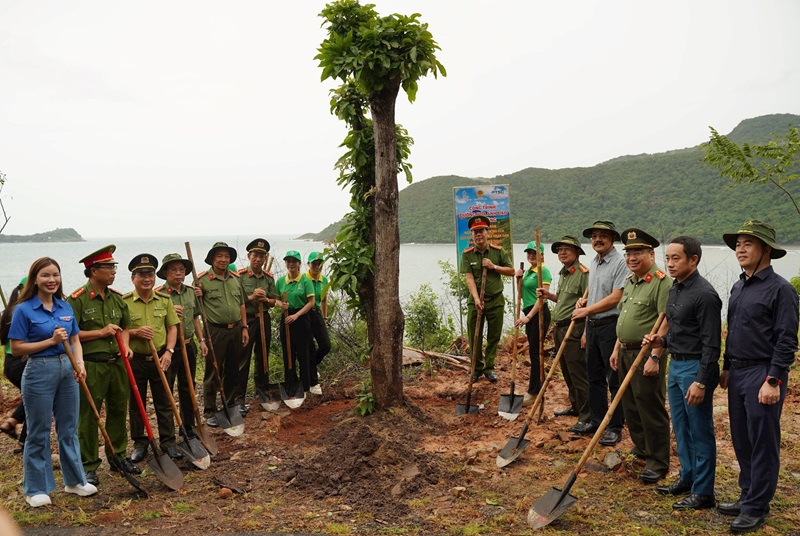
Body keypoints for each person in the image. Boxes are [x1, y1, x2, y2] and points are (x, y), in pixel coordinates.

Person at [716, 220, 798, 534]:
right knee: (742, 438)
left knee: (763, 441)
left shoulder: (781, 289)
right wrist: (725, 366)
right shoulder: (738, 286)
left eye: (748, 243)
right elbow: (732, 331)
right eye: (738, 243)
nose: (740, 248)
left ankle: (757, 507)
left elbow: (787, 338)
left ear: (766, 250)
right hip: (737, 372)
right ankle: (747, 493)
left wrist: (774, 379)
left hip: (763, 372)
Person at [8, 257, 97, 507]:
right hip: (39, 370)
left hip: (68, 371)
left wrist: (80, 365)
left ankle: (75, 481)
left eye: (55, 275)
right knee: (39, 431)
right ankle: (36, 488)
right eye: (45, 275)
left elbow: (76, 341)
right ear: (35, 279)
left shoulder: (64, 307)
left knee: (69, 428)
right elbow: (16, 348)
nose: (51, 280)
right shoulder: (24, 310)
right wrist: (50, 341)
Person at [644, 236, 721, 510]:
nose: (671, 263)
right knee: (680, 427)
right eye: (668, 258)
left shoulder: (705, 294)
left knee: (700, 430)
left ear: (693, 260)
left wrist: (701, 380)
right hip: (675, 365)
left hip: (695, 367)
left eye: (677, 258)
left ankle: (704, 492)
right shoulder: (674, 289)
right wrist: (659, 343)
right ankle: (687, 477)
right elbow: (678, 331)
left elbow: (712, 344)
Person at [68, 245, 139, 486]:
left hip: (117, 364)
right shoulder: (77, 299)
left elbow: (125, 327)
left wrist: (126, 346)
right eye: (109, 267)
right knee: (89, 415)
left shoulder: (117, 299)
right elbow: (71, 335)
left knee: (119, 410)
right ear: (93, 270)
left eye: (114, 267)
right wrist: (100, 332)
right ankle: (88, 464)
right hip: (91, 364)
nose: (113, 271)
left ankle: (118, 456)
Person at [609, 228, 672, 484]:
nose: (632, 257)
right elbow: (624, 318)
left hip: (645, 352)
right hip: (625, 351)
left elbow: (665, 322)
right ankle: (641, 447)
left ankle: (658, 462)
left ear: (651, 253)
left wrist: (655, 357)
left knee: (650, 405)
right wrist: (616, 348)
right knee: (630, 404)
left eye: (638, 252)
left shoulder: (661, 282)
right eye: (629, 253)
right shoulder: (632, 281)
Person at [571, 221, 629, 444]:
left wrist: (587, 309)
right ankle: (596, 421)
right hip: (593, 326)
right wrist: (585, 307)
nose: (598, 239)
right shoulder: (594, 263)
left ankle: (615, 426)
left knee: (613, 376)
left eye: (603, 235)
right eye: (594, 236)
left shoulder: (620, 263)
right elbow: (596, 294)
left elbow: (616, 298)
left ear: (612, 238)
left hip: (610, 325)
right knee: (593, 377)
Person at [123, 254, 181, 463]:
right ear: (133, 278)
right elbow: (121, 331)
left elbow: (172, 327)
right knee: (137, 403)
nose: (147, 279)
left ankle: (168, 443)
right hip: (136, 359)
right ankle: (140, 443)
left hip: (161, 358)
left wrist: (169, 352)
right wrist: (136, 332)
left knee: (164, 401)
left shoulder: (164, 301)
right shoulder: (125, 303)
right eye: (141, 275)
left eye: (150, 274)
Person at [536, 235, 590, 424]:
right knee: (566, 371)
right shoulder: (563, 273)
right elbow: (563, 299)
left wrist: (585, 333)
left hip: (574, 328)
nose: (562, 252)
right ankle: (575, 406)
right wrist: (548, 295)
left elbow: (588, 304)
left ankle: (586, 415)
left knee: (578, 373)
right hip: (559, 329)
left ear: (577, 252)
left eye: (567, 249)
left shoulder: (583, 274)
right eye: (559, 250)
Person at [156, 253, 208, 439]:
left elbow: (195, 317)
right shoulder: (159, 294)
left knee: (188, 387)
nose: (178, 273)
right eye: (173, 270)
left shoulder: (190, 292)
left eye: (181, 270)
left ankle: (187, 425)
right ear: (165, 273)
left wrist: (201, 340)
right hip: (168, 349)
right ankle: (168, 431)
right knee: (166, 390)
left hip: (188, 344)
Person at [196, 242, 248, 424]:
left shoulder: (235, 279)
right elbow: (194, 306)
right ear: (212, 259)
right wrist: (197, 293)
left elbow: (241, 304)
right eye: (219, 256)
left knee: (233, 368)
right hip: (214, 331)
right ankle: (210, 411)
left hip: (235, 329)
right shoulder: (201, 281)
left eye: (226, 256)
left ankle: (230, 404)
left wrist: (244, 327)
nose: (223, 259)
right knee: (213, 370)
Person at [459, 215, 515, 382]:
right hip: (476, 302)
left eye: (481, 231)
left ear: (487, 233)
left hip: (496, 301)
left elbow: (511, 271)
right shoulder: (468, 254)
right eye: (475, 232)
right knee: (474, 336)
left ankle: (489, 368)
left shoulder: (498, 252)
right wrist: (476, 299)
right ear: (472, 235)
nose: (478, 234)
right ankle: (476, 368)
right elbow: (469, 278)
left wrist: (494, 267)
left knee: (493, 337)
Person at [236, 239, 279, 405]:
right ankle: (239, 397)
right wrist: (252, 297)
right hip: (247, 320)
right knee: (243, 358)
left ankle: (262, 391)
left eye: (262, 256)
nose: (258, 259)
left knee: (263, 356)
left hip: (264, 319)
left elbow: (274, 301)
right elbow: (237, 301)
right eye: (255, 255)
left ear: (265, 258)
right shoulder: (239, 276)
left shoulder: (268, 278)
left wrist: (266, 299)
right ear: (249, 256)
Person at [514, 241, 551, 404]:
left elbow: (542, 298)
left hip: (539, 314)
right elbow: (521, 293)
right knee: (533, 352)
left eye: (534, 253)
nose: (531, 255)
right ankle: (535, 389)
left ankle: (534, 392)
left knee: (536, 353)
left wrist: (529, 317)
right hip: (529, 313)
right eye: (528, 252)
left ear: (541, 255)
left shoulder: (544, 271)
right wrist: (518, 278)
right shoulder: (529, 271)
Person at [275, 251, 315, 393]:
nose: (291, 264)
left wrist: (297, 315)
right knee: (288, 353)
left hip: (301, 318)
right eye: (288, 261)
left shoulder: (305, 280)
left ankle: (305, 387)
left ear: (299, 264)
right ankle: (291, 384)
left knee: (303, 353)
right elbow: (276, 299)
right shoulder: (280, 281)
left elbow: (311, 302)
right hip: (286, 318)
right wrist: (281, 305)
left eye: (294, 261)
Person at [1, 278, 28, 455]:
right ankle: (14, 424)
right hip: (22, 361)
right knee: (37, 399)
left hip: (9, 363)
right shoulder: (24, 311)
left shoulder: (8, 311)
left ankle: (21, 439)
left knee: (32, 398)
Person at [306, 251, 330, 395]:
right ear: (308, 264)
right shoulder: (304, 279)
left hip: (317, 315)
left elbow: (324, 299)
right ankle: (311, 377)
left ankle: (310, 368)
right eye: (314, 263)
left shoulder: (324, 280)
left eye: (319, 263)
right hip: (305, 314)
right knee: (308, 347)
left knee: (326, 345)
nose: (317, 266)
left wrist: (325, 317)